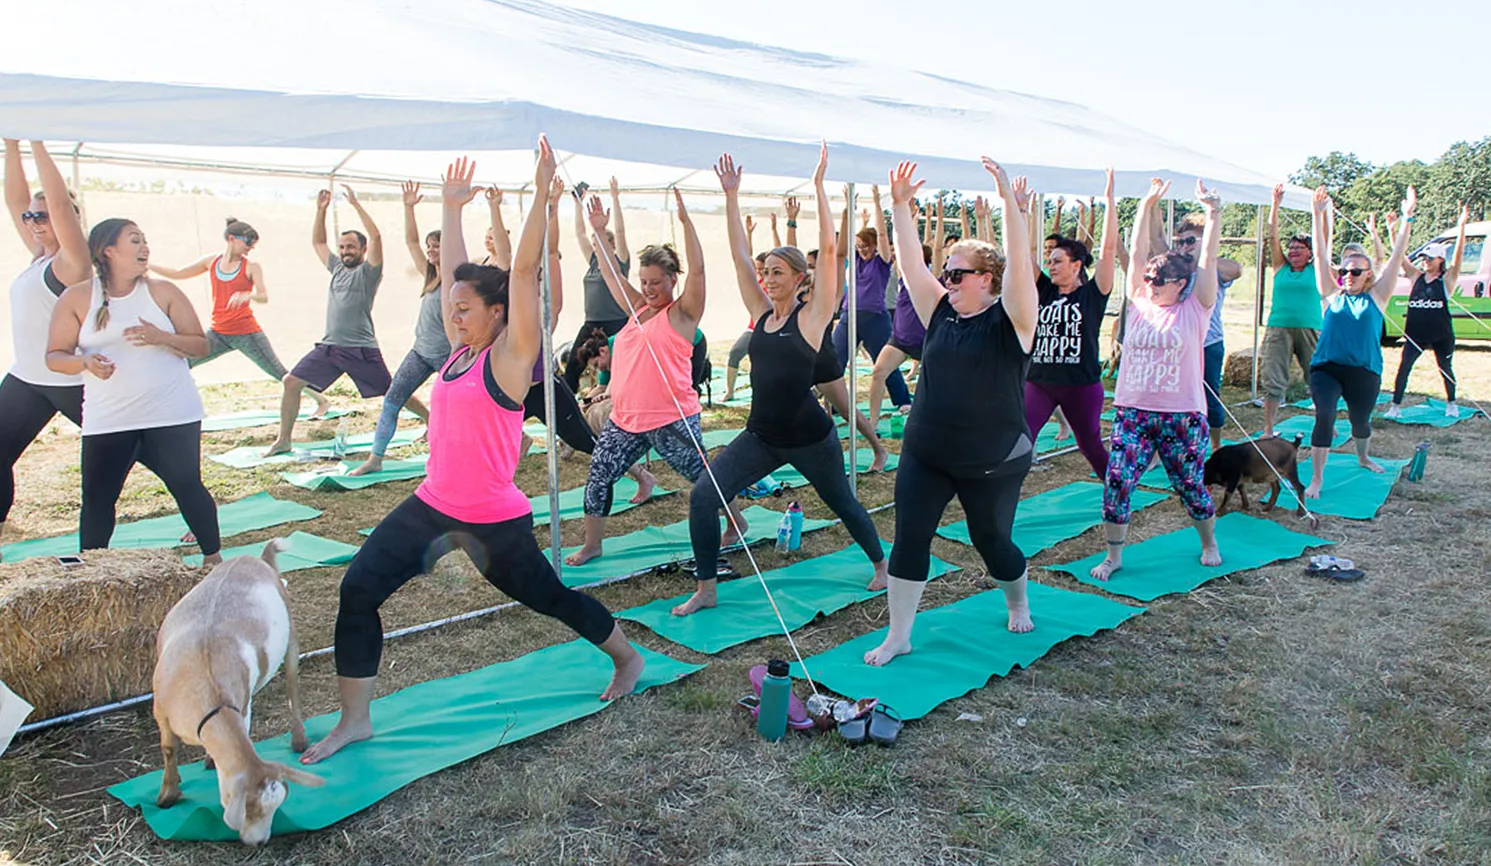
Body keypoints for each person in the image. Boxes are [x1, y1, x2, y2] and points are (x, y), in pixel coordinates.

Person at [300, 144, 645, 764]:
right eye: (450, 310)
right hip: (432, 507)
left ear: (498, 315)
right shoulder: (460, 348)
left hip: (493, 519)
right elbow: (458, 275)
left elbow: (522, 271)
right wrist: (450, 207)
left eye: (466, 311)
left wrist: (540, 194)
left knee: (550, 598)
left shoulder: (509, 359)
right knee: (357, 590)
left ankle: (626, 656)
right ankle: (356, 720)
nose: (454, 318)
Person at [674, 150, 889, 616]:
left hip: (812, 439)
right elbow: (736, 256)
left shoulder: (812, 318)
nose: (767, 279)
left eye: (776, 272)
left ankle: (880, 564)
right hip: (762, 438)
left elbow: (831, 253)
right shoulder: (761, 314)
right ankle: (707, 587)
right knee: (703, 496)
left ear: (799, 279)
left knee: (843, 504)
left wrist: (818, 187)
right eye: (765, 272)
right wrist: (730, 197)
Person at [863, 157, 1040, 667]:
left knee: (991, 542)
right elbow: (913, 265)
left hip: (992, 458)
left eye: (958, 273)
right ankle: (899, 634)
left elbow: (1022, 269)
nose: (948, 278)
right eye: (949, 272)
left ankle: (1017, 597)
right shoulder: (938, 310)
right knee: (910, 536)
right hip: (928, 451)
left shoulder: (1014, 321)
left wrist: (1010, 203)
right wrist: (899, 207)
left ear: (987, 279)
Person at [566, 187, 746, 567]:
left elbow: (698, 270)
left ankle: (737, 522)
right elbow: (613, 274)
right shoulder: (637, 309)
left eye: (656, 282)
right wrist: (598, 231)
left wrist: (686, 223)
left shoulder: (682, 314)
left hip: (670, 420)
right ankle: (593, 544)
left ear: (672, 281)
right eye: (644, 282)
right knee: (599, 476)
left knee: (703, 479)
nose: (648, 289)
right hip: (625, 420)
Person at [45, 218, 221, 564]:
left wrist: (163, 338)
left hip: (171, 413)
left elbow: (201, 345)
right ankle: (92, 571)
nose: (145, 248)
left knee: (187, 485)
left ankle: (213, 559)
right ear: (108, 250)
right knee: (98, 498)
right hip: (108, 417)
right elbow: (54, 357)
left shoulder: (164, 292)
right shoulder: (78, 297)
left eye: (144, 240)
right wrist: (85, 361)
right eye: (135, 241)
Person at [1088, 179, 1224, 583]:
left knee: (1190, 488)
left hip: (1181, 415)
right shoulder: (1140, 298)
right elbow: (1133, 257)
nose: (1149, 285)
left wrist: (1213, 215)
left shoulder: (1195, 308)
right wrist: (1145, 205)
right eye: (1147, 279)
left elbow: (1209, 262)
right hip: (1133, 412)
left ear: (1180, 284)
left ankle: (1208, 543)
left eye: (1158, 281)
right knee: (1117, 480)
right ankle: (1114, 556)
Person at [1, 140, 90, 556]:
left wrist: (38, 140)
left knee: (141, 449)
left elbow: (56, 203)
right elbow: (16, 199)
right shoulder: (39, 256)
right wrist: (11, 145)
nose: (34, 221)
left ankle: (196, 510)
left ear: (64, 217)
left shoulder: (71, 263)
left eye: (44, 215)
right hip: (27, 379)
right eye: (30, 217)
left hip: (69, 378)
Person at [150, 218, 332, 419]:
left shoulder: (251, 267)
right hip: (218, 333)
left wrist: (247, 295)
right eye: (248, 243)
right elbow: (177, 273)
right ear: (231, 239)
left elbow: (263, 296)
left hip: (247, 333)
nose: (250, 248)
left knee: (279, 373)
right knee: (184, 363)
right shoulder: (212, 261)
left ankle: (322, 400)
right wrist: (147, 267)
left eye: (253, 245)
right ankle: (169, 405)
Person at [1303, 185, 1416, 497]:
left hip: (1364, 371)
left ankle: (1363, 456)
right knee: (1324, 414)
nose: (1348, 275)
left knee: (1360, 423)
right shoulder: (1330, 292)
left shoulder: (1377, 297)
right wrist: (1317, 214)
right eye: (1345, 270)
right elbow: (1321, 252)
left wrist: (1407, 219)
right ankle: (1317, 479)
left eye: (1355, 271)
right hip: (1326, 368)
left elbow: (1395, 257)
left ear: (1368, 274)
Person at [264, 186, 390, 456]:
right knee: (290, 382)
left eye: (351, 247)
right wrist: (320, 210)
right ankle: (284, 439)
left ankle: (429, 422)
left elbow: (377, 236)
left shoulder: (369, 273)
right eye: (342, 247)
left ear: (363, 249)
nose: (345, 251)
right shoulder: (336, 268)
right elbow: (319, 243)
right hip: (330, 347)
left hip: (361, 350)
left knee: (392, 394)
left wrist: (355, 204)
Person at [1023, 169, 1120, 478]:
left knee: (1090, 444)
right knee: (1019, 439)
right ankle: (1000, 495)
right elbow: (1023, 253)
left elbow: (1107, 251)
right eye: (1049, 260)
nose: (1050, 265)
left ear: (1077, 265)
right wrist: (1021, 211)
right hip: (1039, 380)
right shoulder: (1044, 289)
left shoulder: (1094, 294)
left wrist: (1109, 201)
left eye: (1057, 261)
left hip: (1081, 384)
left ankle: (1116, 493)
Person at [347, 181, 449, 476]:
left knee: (451, 411)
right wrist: (408, 208)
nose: (430, 250)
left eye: (437, 245)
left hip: (447, 356)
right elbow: (411, 243)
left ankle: (447, 460)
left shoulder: (457, 279)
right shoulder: (430, 275)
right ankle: (375, 458)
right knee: (393, 400)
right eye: (430, 246)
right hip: (420, 352)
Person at [1386, 204, 1468, 418]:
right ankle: (1395, 406)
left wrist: (1461, 227)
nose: (1425, 261)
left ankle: (1451, 403)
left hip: (1441, 335)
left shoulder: (1446, 279)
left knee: (1445, 368)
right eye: (1423, 258)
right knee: (1404, 368)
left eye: (1429, 259)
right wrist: (1392, 231)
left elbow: (1458, 257)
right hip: (1415, 335)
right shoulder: (1416, 276)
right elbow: (1399, 257)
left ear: (1440, 260)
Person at [832, 186, 909, 410]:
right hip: (849, 316)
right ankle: (835, 403)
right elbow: (844, 243)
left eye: (866, 246)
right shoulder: (854, 258)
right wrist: (849, 208)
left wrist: (876, 202)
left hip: (875, 318)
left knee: (885, 363)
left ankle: (902, 400)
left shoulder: (882, 261)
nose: (862, 250)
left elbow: (883, 236)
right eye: (859, 247)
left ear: (875, 246)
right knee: (837, 360)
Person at [1261, 183, 1321, 438]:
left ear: (1310, 253)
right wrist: (1275, 204)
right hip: (1279, 327)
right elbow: (1272, 235)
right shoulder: (1280, 267)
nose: (1294, 251)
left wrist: (1318, 212)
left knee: (1317, 376)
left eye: (1300, 248)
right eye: (1292, 248)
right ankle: (1268, 428)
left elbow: (1324, 240)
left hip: (1309, 328)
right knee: (1273, 377)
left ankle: (1323, 421)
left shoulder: (1315, 270)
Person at [560, 178, 630, 394]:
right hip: (592, 323)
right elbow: (579, 233)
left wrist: (615, 198)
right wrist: (577, 204)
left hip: (617, 322)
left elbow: (619, 232)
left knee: (617, 369)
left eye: (600, 242)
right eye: (594, 244)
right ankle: (568, 411)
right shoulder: (592, 262)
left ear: (611, 245)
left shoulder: (620, 262)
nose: (595, 246)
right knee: (573, 365)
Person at [866, 242, 931, 430]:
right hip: (900, 340)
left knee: (935, 384)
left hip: (927, 340)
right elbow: (902, 246)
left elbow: (934, 250)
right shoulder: (904, 276)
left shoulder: (931, 278)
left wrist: (935, 218)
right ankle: (873, 422)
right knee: (878, 372)